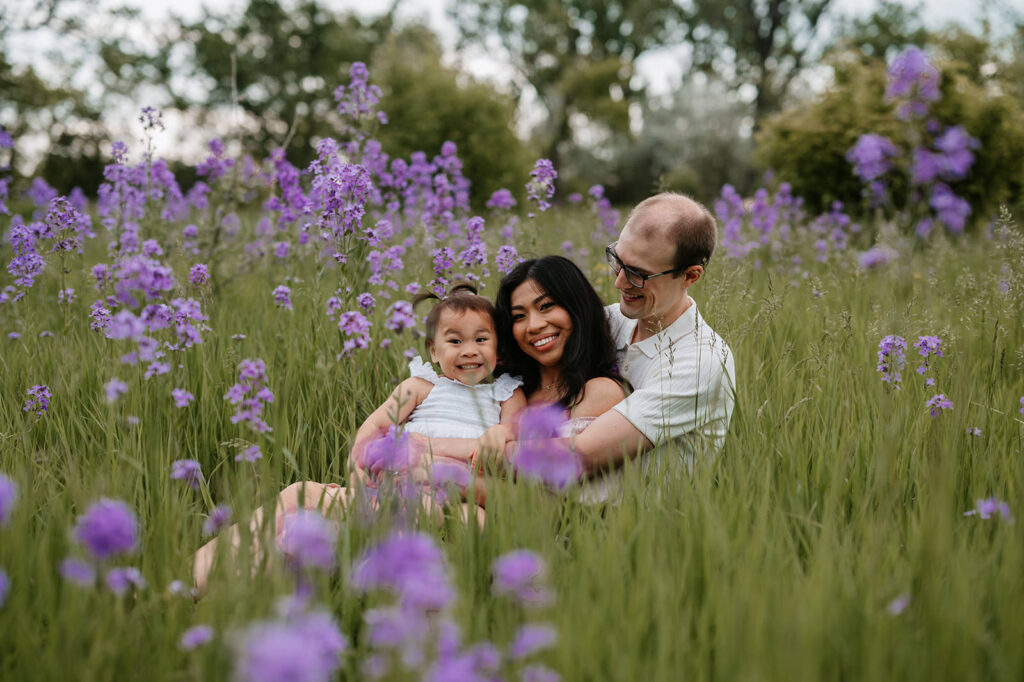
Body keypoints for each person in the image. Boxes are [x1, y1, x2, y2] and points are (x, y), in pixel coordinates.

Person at [193, 283, 527, 594]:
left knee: (417, 515)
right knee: (301, 491)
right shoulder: (420, 387)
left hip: (452, 498)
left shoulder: (505, 395)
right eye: (455, 341)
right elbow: (371, 432)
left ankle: (331, 558)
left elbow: (511, 445)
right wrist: (358, 476)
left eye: (481, 340)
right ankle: (194, 578)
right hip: (390, 489)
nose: (469, 350)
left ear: (499, 347)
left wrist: (495, 433)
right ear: (433, 351)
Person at [472, 192, 737, 502]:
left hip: (635, 532)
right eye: (618, 260)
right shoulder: (607, 320)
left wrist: (435, 454)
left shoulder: (701, 361)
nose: (620, 282)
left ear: (690, 275)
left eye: (638, 274)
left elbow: (575, 458)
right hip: (549, 506)